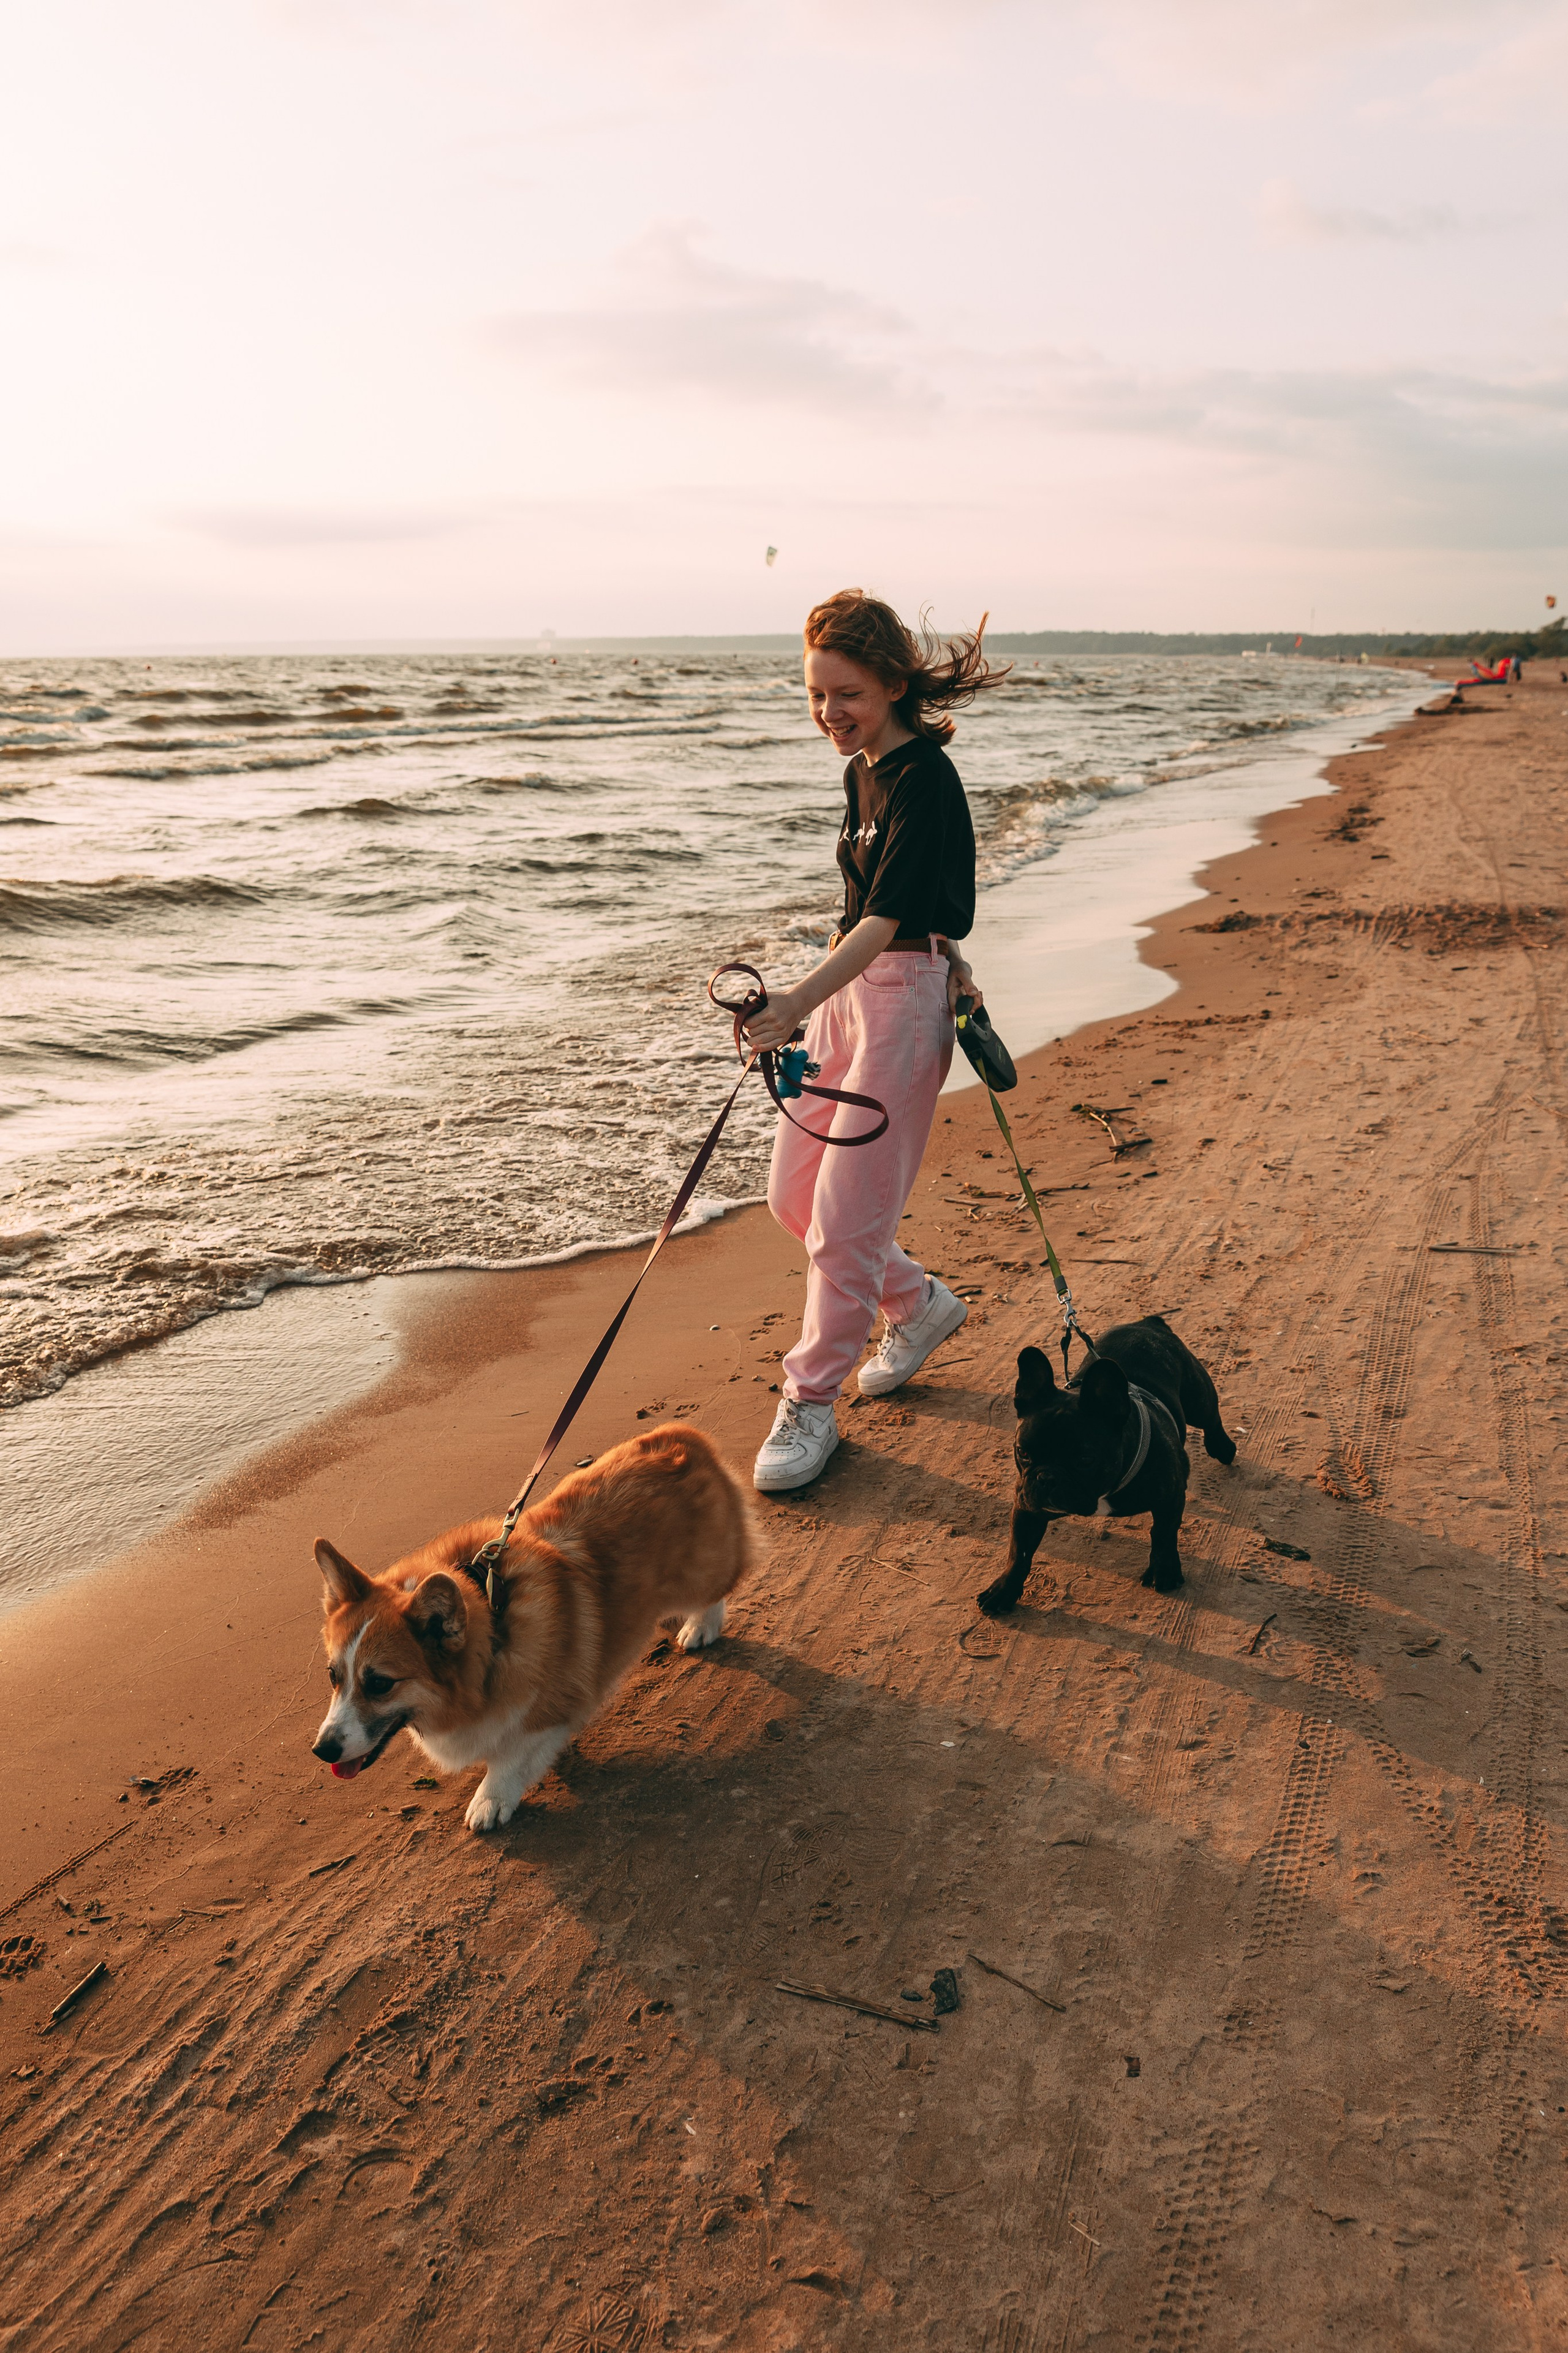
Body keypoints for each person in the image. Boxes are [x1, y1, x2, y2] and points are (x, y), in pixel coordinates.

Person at [743, 588, 1009, 1492]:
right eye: (816, 695)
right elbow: (869, 906)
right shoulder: (861, 773)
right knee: (794, 1196)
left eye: (846, 694)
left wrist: (795, 1001)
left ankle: (810, 1399)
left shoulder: (925, 774)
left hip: (898, 1006)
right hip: (849, 996)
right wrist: (807, 1009)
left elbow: (896, 914)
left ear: (894, 683)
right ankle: (916, 1304)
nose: (830, 713)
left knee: (849, 1220)